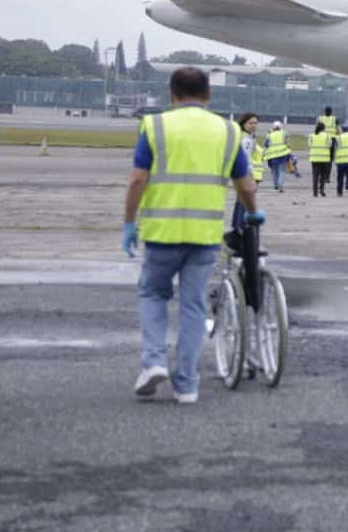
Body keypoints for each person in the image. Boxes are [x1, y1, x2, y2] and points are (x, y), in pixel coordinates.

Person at [123, 67, 262, 404]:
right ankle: (186, 384)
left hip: (161, 231)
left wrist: (129, 222)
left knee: (153, 295)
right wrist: (252, 210)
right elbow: (245, 184)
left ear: (171, 95)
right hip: (204, 235)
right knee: (193, 306)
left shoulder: (155, 126)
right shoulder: (228, 131)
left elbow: (138, 179)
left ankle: (154, 361)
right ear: (208, 95)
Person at [229, 113, 263, 235]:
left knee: (240, 201)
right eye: (250, 123)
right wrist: (249, 177)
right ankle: (241, 228)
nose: (254, 125)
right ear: (244, 124)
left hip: (249, 174)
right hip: (248, 175)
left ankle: (237, 227)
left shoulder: (247, 137)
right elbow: (246, 158)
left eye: (255, 123)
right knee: (243, 202)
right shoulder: (246, 139)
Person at [262, 120, 292, 191]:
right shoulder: (284, 133)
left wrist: (263, 154)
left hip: (273, 156)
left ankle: (275, 185)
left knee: (274, 171)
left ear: (273, 127)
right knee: (282, 170)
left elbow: (266, 145)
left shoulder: (269, 135)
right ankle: (280, 185)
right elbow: (288, 144)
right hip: (283, 154)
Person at [308, 122, 333, 197]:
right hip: (324, 158)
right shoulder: (327, 136)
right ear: (324, 128)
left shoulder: (311, 136)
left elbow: (309, 145)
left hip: (314, 158)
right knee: (323, 176)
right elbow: (330, 145)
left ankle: (315, 192)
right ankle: (322, 189)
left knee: (315, 176)